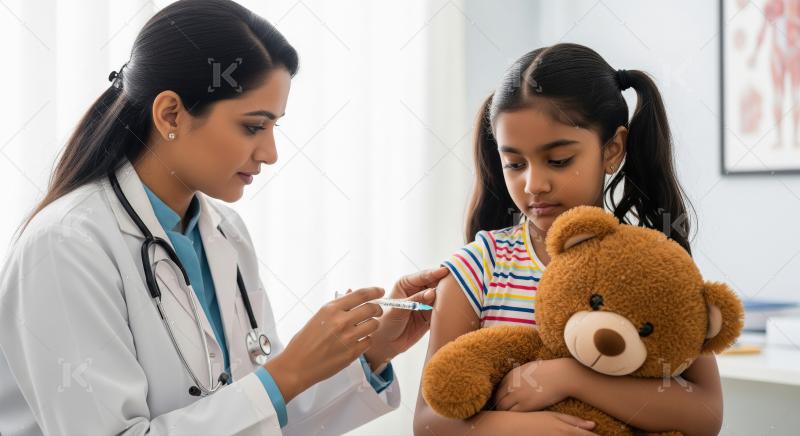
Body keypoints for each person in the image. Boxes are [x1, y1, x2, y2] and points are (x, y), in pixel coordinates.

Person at [0, 1, 447, 434]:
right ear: (170, 113)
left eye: (275, 126)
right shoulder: (66, 246)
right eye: (253, 126)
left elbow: (261, 420)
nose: (270, 153)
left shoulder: (224, 233)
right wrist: (287, 373)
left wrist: (369, 353)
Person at [414, 43, 723, 436]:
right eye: (514, 164)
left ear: (612, 149)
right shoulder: (479, 269)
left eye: (559, 161)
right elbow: (430, 423)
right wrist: (531, 428)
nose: (534, 184)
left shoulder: (652, 263)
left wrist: (572, 378)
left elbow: (707, 414)